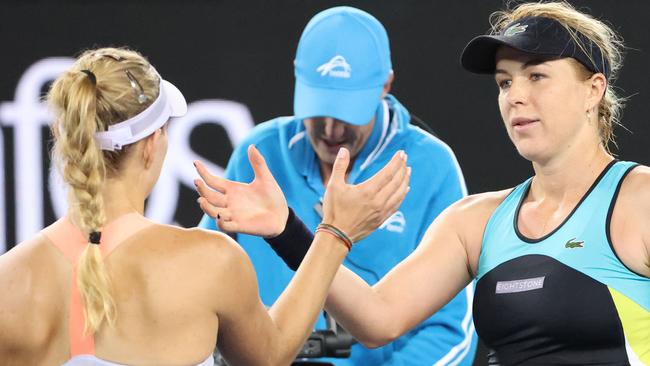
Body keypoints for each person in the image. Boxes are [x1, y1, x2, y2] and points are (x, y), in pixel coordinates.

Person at [196, 2, 650, 364]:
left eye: (536, 76)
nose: (516, 97)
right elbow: (378, 319)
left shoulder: (641, 199)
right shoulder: (476, 222)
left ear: (593, 90)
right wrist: (286, 229)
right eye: (504, 82)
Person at [0, 47, 410, 366]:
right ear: (150, 145)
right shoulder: (208, 261)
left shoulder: (8, 279)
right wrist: (334, 233)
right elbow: (273, 354)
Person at [198, 6, 477, 365]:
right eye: (319, 110)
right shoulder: (261, 153)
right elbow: (206, 284)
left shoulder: (429, 165)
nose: (330, 131)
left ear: (385, 86)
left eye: (348, 113)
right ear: (297, 80)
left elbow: (451, 332)